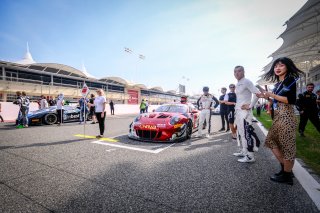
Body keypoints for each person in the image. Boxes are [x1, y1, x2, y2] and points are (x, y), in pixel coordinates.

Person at [263, 57, 303, 185]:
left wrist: (272, 95)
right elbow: (276, 100)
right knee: (271, 141)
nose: (277, 68)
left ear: (287, 67)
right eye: (275, 66)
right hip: (278, 116)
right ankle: (285, 169)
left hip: (286, 116)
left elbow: (290, 100)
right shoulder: (278, 84)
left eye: (281, 65)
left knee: (287, 146)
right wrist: (267, 97)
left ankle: (287, 176)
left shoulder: (290, 80)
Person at [232, 66, 262, 163]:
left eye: (239, 71)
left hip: (245, 113)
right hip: (238, 112)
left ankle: (250, 156)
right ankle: (244, 151)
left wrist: (250, 105)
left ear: (244, 72)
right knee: (241, 133)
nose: (237, 73)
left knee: (247, 133)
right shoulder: (238, 83)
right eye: (235, 71)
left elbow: (257, 93)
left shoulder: (247, 81)